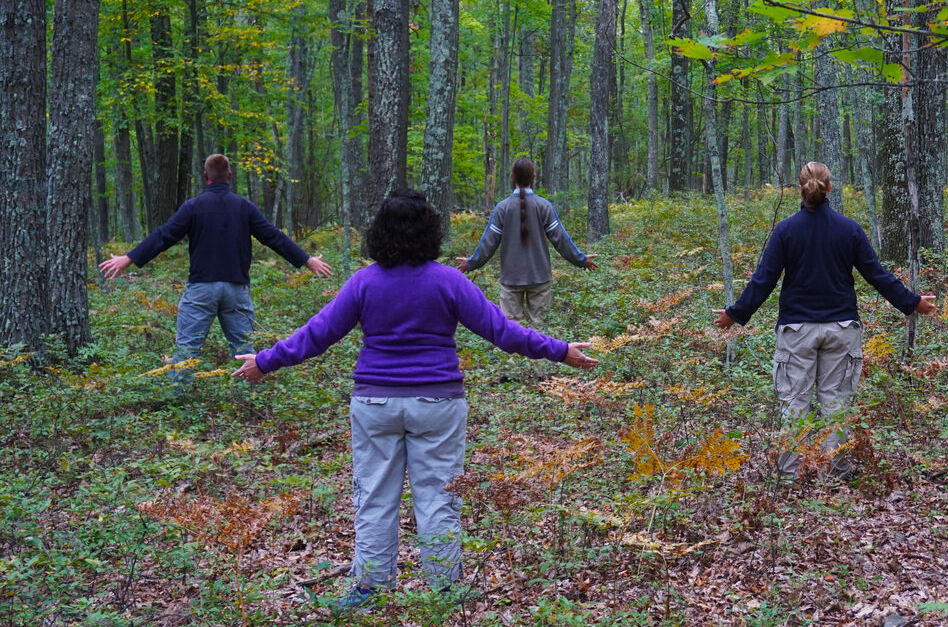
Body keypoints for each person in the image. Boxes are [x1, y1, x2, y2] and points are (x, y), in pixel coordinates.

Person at [233, 189, 597, 609]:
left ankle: (369, 589)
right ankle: (445, 591)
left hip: (375, 405)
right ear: (430, 231)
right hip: (438, 404)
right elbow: (504, 331)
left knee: (374, 496)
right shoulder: (448, 281)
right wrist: (560, 350)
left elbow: (318, 333)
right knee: (439, 495)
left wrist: (266, 360)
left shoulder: (364, 282)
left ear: (378, 233)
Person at [712, 161, 936, 483]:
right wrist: (913, 302)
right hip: (842, 330)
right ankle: (837, 476)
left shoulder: (785, 230)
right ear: (829, 187)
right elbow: (877, 275)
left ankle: (789, 480)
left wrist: (734, 314)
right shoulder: (849, 229)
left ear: (799, 189)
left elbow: (764, 280)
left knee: (794, 405)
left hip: (796, 332)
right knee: (836, 405)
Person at [99, 154, 332, 369]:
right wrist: (307, 259)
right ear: (229, 176)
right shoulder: (244, 207)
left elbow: (164, 236)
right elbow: (273, 237)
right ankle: (250, 400)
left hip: (201, 289)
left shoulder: (193, 207)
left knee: (186, 351)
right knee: (244, 351)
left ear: (205, 176)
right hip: (237, 289)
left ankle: (177, 400)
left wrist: (128, 258)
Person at [457, 157, 597, 325]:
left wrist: (471, 263)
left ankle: (514, 353)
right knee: (541, 330)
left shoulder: (503, 207)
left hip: (511, 278)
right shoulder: (543, 206)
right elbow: (560, 239)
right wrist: (581, 260)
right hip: (540, 277)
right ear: (534, 176)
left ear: (512, 176)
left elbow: (489, 242)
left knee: (510, 330)